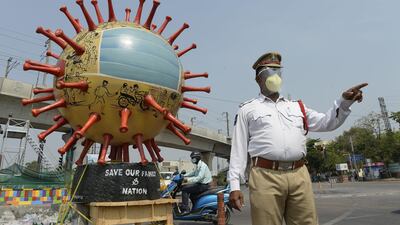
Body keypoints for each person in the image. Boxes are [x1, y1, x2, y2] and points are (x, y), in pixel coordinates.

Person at [228, 52, 367, 225]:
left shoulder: (297, 107)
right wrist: (234, 186)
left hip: (299, 174)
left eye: (278, 71)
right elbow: (239, 150)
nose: (274, 76)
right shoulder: (247, 109)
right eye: (269, 71)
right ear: (258, 78)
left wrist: (344, 102)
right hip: (265, 176)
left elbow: (326, 123)